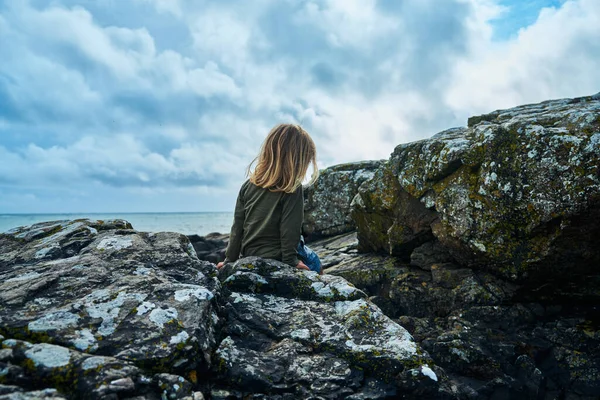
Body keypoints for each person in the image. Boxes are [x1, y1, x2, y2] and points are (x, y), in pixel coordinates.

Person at [216, 123, 322, 274]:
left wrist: (229, 260)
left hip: (250, 253)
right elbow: (290, 229)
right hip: (279, 255)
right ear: (298, 160)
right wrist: (291, 261)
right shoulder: (291, 187)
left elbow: (237, 229)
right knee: (315, 261)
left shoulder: (248, 185)